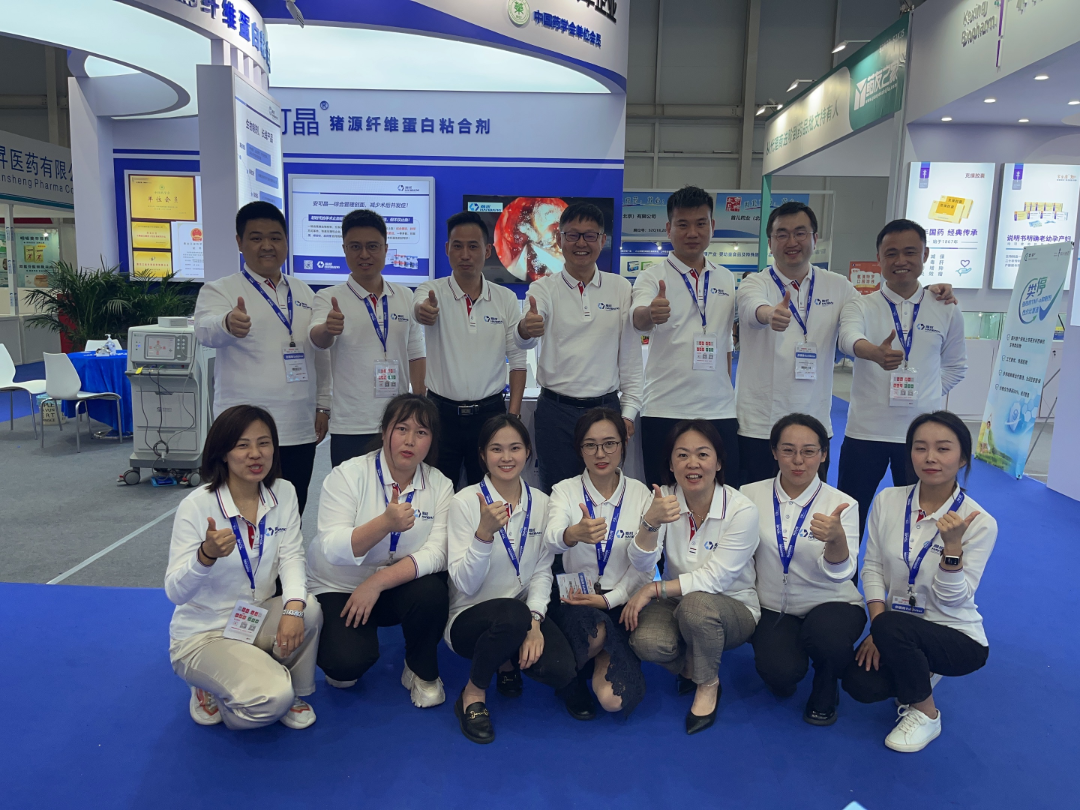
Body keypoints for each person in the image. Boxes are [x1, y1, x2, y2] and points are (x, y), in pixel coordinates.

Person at [735, 202, 956, 485]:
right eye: (782, 234)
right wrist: (769, 314)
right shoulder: (755, 283)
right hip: (758, 423)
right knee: (754, 502)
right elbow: (752, 307)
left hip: (814, 424)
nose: (792, 242)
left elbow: (875, 308)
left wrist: (925, 292)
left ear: (815, 238)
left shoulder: (838, 286)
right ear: (770, 242)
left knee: (812, 506)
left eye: (800, 233)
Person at [843, 411, 996, 753]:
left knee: (892, 628)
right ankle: (915, 663)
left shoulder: (980, 522)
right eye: (920, 447)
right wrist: (879, 630)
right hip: (898, 626)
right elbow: (872, 568)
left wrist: (952, 550)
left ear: (963, 458)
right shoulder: (888, 500)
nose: (930, 458)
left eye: (943, 449)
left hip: (956, 634)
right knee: (859, 684)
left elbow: (955, 599)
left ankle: (927, 713)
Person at [165, 405, 322, 730]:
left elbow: (292, 556)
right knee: (271, 699)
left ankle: (291, 689)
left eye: (264, 443)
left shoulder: (284, 492)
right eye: (242, 445)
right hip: (204, 634)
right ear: (223, 453)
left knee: (308, 609)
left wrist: (293, 608)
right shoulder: (197, 506)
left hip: (252, 618)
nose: (255, 454)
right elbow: (175, 593)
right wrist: (205, 556)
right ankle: (211, 686)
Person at [306, 394, 453, 708]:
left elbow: (438, 553)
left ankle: (420, 668)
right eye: (402, 429)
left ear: (431, 441)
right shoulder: (348, 475)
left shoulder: (440, 484)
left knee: (432, 591)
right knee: (344, 669)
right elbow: (331, 547)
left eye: (421, 432)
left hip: (393, 585)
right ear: (385, 431)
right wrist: (384, 524)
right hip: (340, 585)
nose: (410, 441)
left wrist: (376, 583)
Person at [445, 414, 577, 744]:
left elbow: (543, 570)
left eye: (515, 448)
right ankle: (473, 693)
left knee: (559, 668)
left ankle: (506, 661)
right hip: (468, 619)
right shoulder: (464, 503)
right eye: (496, 449)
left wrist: (535, 622)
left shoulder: (542, 503)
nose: (506, 457)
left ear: (528, 451)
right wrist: (483, 535)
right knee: (511, 614)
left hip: (520, 616)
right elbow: (465, 585)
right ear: (482, 455)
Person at [622, 420, 760, 735]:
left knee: (697, 606)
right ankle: (691, 664)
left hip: (732, 606)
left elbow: (716, 579)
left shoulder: (741, 510)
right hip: (677, 600)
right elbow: (642, 562)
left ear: (719, 462)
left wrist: (654, 589)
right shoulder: (663, 500)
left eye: (702, 454)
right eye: (682, 455)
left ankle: (708, 683)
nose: (692, 463)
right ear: (671, 464)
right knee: (647, 642)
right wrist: (650, 523)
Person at [193, 202, 331, 515]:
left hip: (298, 425)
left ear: (286, 242)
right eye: (256, 238)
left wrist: (324, 404)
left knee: (292, 510)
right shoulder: (220, 290)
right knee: (242, 511)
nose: (267, 246)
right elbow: (204, 331)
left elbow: (320, 354)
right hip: (243, 432)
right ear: (239, 242)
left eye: (275, 237)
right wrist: (228, 323)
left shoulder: (304, 293)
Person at [837, 219, 968, 539]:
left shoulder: (946, 308)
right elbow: (847, 338)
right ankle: (843, 573)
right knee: (849, 517)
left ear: (925, 255)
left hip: (921, 438)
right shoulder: (861, 305)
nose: (900, 261)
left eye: (910, 252)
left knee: (922, 520)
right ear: (879, 258)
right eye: (891, 253)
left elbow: (956, 366)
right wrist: (872, 353)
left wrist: (927, 395)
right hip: (865, 432)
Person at [544, 408, 675, 718]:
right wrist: (572, 534)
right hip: (576, 598)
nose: (600, 453)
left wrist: (610, 599)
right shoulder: (565, 490)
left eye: (609, 443)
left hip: (623, 602)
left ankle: (594, 657)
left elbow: (646, 566)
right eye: (590, 445)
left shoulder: (643, 495)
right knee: (593, 631)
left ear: (623, 445)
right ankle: (571, 678)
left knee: (613, 700)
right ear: (579, 449)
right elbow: (550, 540)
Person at [740, 413, 865, 726]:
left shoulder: (843, 504)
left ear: (823, 454)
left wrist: (836, 540)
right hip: (773, 605)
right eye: (788, 450)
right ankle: (789, 662)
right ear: (774, 451)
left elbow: (841, 574)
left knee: (829, 640)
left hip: (831, 602)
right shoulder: (748, 495)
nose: (798, 461)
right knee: (779, 672)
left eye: (809, 451)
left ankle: (827, 682)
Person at [516, 202, 643, 492]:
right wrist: (526, 328)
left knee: (606, 492)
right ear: (559, 239)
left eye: (590, 235)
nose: (581, 243)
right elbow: (526, 336)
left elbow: (630, 357)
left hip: (606, 409)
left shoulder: (620, 288)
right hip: (555, 412)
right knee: (557, 493)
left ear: (602, 240)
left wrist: (628, 411)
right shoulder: (543, 289)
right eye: (572, 235)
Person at [632, 186, 740, 488]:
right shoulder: (652, 277)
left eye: (700, 223)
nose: (692, 232)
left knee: (722, 496)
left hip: (718, 410)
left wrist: (724, 391)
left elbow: (725, 343)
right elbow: (637, 319)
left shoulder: (726, 278)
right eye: (683, 224)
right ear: (669, 229)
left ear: (712, 226)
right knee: (664, 495)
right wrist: (650, 313)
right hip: (665, 408)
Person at [413, 212, 528, 488]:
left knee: (490, 491)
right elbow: (420, 309)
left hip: (490, 413)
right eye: (457, 246)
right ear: (447, 249)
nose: (465, 254)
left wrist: (512, 417)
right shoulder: (431, 291)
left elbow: (518, 359)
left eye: (473, 246)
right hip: (440, 414)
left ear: (487, 251)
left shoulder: (505, 298)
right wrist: (424, 311)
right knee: (437, 492)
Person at [310, 209, 426, 468]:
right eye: (355, 247)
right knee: (352, 492)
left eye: (372, 246)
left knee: (400, 489)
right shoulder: (328, 297)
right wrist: (328, 328)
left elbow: (416, 353)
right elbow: (317, 340)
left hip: (399, 423)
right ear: (344, 249)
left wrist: (420, 407)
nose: (364, 254)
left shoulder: (405, 296)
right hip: (351, 424)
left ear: (385, 249)